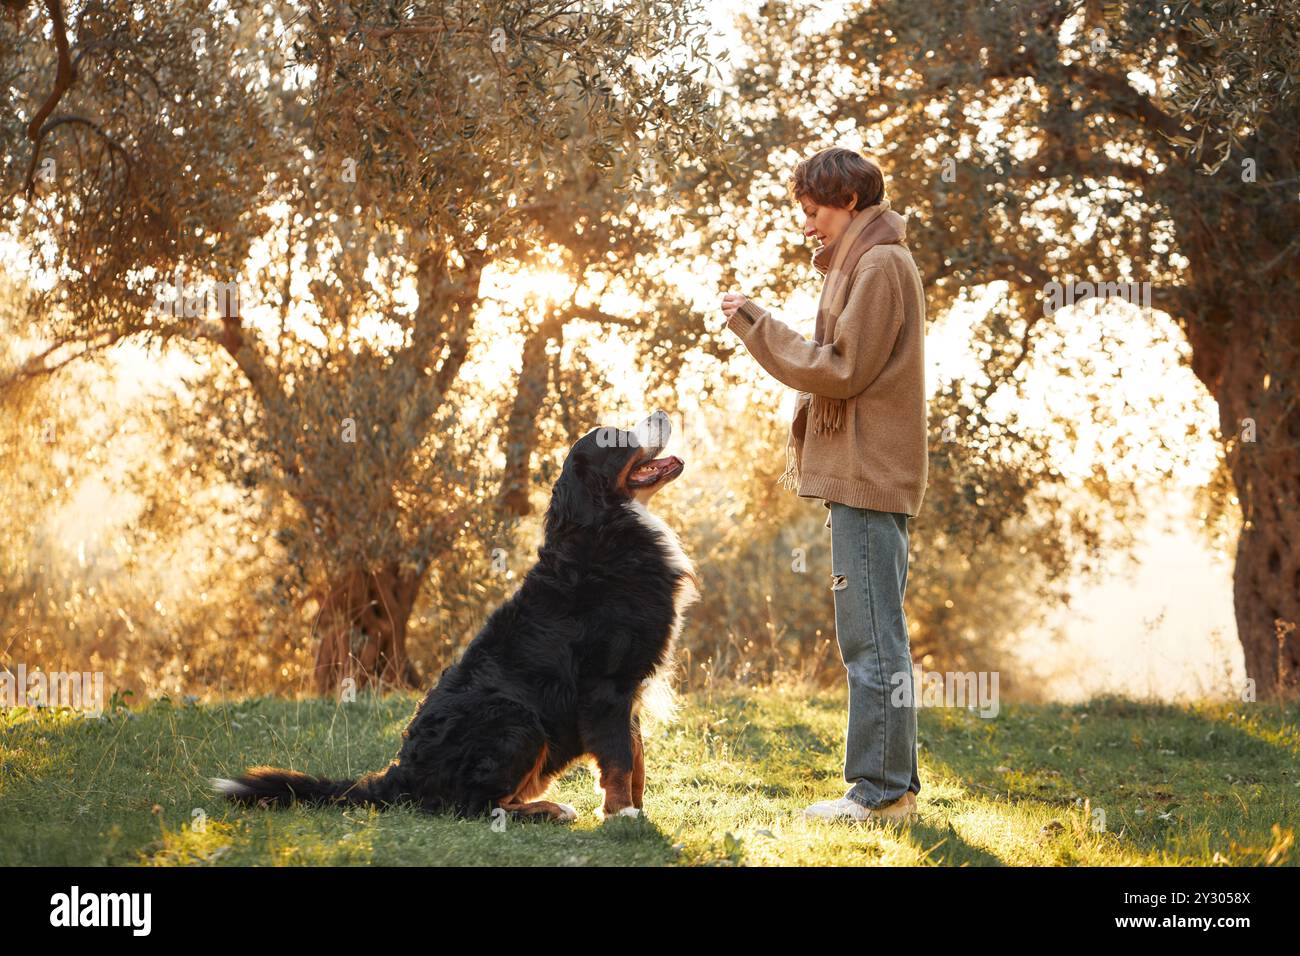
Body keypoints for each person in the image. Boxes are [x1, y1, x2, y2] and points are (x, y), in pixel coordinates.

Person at [719, 146, 928, 822]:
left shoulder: (879, 265)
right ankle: (890, 789)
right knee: (873, 634)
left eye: (813, 213)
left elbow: (842, 371)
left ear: (849, 202)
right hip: (860, 475)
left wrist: (758, 326)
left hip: (869, 475)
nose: (806, 226)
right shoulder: (867, 262)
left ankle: (880, 793)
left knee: (871, 639)